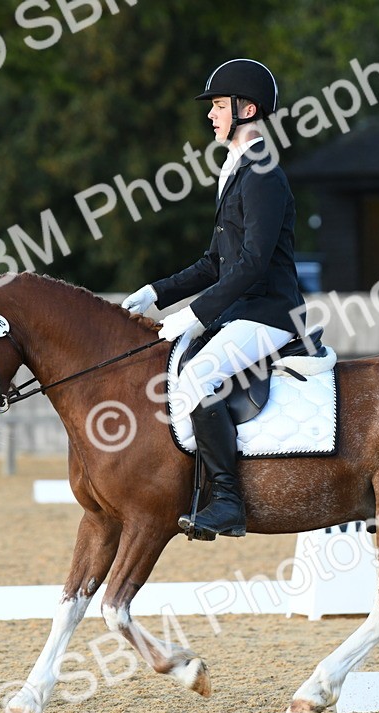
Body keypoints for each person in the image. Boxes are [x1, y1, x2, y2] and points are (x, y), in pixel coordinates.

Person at [120, 58, 305, 541]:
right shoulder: (237, 171)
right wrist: (157, 293)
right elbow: (214, 264)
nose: (211, 115)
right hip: (242, 310)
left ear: (247, 109)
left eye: (219, 105)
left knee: (198, 379)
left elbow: (252, 265)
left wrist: (195, 314)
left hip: (270, 314)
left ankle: (227, 501)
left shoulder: (263, 174)